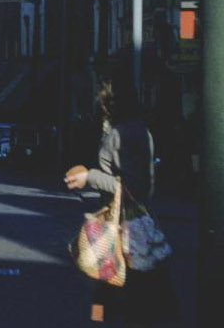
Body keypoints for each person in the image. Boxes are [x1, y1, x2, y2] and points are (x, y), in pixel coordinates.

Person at [64, 70, 178, 325]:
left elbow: (133, 187)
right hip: (123, 226)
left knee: (124, 298)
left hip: (127, 230)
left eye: (99, 93)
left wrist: (89, 176)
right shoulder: (131, 128)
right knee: (119, 295)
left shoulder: (125, 133)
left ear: (109, 98)